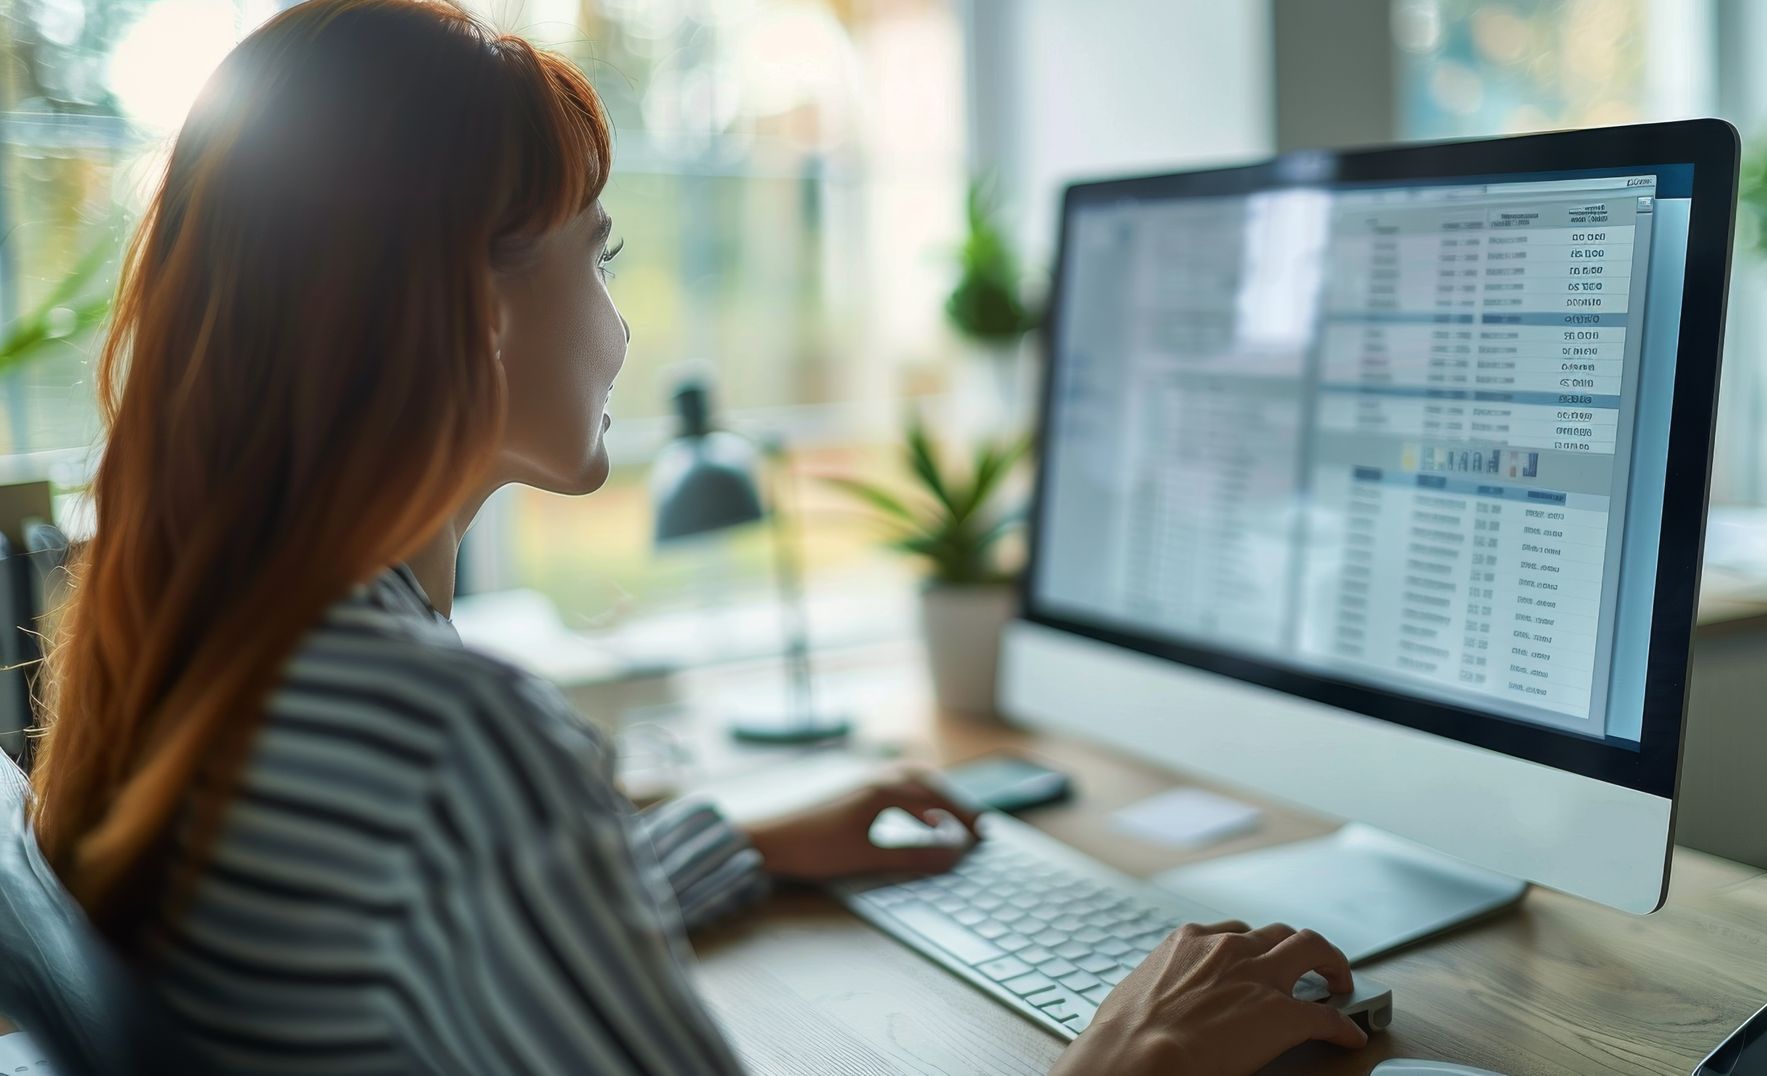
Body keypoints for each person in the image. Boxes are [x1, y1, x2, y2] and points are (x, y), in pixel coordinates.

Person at [26, 1, 1371, 1073]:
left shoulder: (208, 647)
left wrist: (739, 844)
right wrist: (1130, 1060)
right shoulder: (441, 734)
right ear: (465, 304)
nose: (619, 326)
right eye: (596, 256)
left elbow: (430, 932)